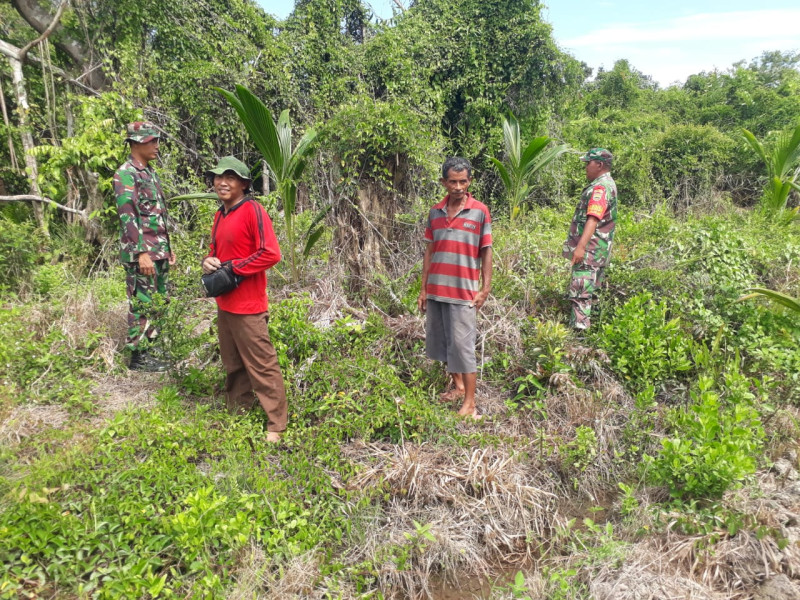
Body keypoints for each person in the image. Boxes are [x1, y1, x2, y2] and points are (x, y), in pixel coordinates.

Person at [201, 156, 287, 443]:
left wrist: (234, 268)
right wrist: (210, 261)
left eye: (230, 178)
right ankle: (238, 410)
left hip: (249, 305)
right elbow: (215, 250)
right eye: (217, 177)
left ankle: (277, 424)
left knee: (262, 364)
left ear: (244, 184)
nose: (222, 182)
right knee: (233, 361)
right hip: (225, 304)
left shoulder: (254, 211)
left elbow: (271, 253)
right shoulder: (220, 214)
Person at [417, 157, 493, 419]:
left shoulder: (480, 211)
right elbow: (429, 251)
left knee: (463, 347)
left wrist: (485, 288)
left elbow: (486, 251)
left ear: (469, 181)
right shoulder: (434, 212)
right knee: (445, 343)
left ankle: (471, 403)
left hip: (464, 293)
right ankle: (459, 386)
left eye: (463, 181)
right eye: (453, 181)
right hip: (437, 289)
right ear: (444, 182)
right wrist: (424, 288)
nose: (458, 186)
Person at [114, 121, 175, 371]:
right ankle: (138, 357)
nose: (157, 146)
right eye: (153, 141)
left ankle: (153, 348)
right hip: (143, 253)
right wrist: (141, 253)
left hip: (157, 250)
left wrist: (167, 248)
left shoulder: (149, 172)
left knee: (159, 301)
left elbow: (156, 215)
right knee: (142, 301)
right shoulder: (126, 173)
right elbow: (128, 215)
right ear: (137, 142)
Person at [562, 148, 618, 330]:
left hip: (589, 252)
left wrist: (580, 247)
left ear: (599, 165)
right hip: (598, 252)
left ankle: (579, 337)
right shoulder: (608, 184)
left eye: (588, 163)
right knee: (592, 295)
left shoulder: (600, 188)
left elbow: (593, 218)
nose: (586, 167)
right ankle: (590, 336)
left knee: (580, 294)